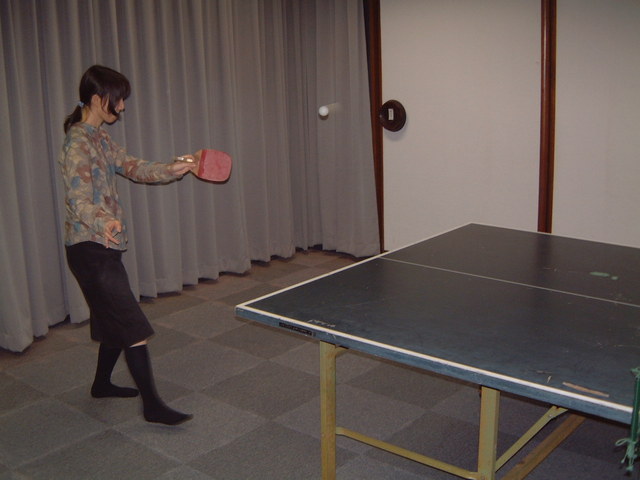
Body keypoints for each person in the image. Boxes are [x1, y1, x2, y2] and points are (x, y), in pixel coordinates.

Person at [59, 65, 198, 425]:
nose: (122, 107)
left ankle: (101, 385)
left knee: (112, 321)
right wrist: (105, 221)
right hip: (89, 248)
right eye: (118, 99)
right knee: (131, 325)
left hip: (101, 246)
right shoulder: (78, 141)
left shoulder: (100, 138)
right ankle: (152, 407)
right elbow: (77, 198)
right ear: (97, 98)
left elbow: (134, 167)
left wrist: (173, 168)